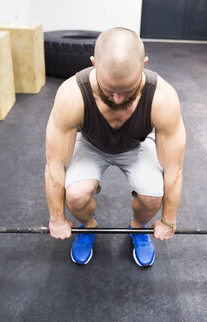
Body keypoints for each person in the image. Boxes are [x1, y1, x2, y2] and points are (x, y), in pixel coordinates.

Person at [45, 27, 186, 267]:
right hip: (91, 144)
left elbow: (174, 169)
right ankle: (88, 227)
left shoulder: (163, 98)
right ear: (94, 63)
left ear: (144, 64)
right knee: (76, 197)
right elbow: (54, 164)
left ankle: (137, 230)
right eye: (109, 90)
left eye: (127, 91)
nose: (118, 100)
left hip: (137, 145)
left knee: (153, 197)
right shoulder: (72, 95)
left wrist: (169, 220)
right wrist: (57, 218)